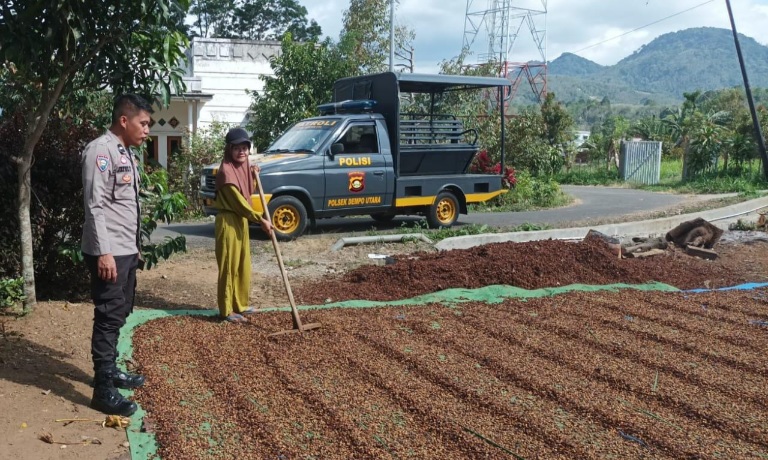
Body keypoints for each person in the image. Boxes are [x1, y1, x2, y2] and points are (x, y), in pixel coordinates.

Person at [81, 93, 152, 416]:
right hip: (108, 252)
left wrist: (133, 248)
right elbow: (95, 206)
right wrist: (104, 253)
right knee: (109, 317)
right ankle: (103, 390)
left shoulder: (125, 151)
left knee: (121, 311)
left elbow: (126, 207)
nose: (147, 130)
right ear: (124, 121)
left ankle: (110, 372)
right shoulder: (101, 151)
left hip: (125, 250)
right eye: (143, 123)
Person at [214, 127, 273, 323]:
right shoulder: (226, 172)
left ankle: (240, 304)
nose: (242, 152)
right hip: (229, 221)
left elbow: (248, 191)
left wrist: (254, 174)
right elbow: (240, 203)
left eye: (245, 147)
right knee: (229, 266)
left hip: (241, 221)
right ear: (229, 150)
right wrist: (261, 219)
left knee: (242, 265)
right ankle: (226, 309)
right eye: (237, 148)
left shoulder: (243, 168)